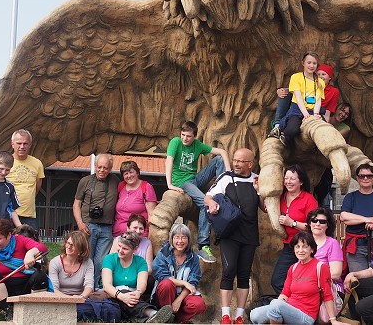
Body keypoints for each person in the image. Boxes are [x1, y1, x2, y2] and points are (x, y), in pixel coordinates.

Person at [205, 148, 265, 324]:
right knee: (229, 271)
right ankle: (225, 315)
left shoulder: (257, 179)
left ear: (250, 164)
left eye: (240, 161)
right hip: (230, 233)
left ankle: (239, 316)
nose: (236, 164)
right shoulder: (226, 178)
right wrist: (213, 204)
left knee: (244, 274)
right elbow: (208, 197)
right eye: (235, 160)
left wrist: (259, 190)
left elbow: (264, 207)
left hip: (250, 233)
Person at [165, 120, 231, 263]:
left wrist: (229, 173)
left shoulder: (197, 145)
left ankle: (223, 191)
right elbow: (169, 161)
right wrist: (169, 184)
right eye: (183, 135)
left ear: (194, 136)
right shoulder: (176, 142)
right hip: (182, 182)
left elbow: (222, 152)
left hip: (195, 179)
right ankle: (203, 245)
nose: (185, 138)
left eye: (188, 136)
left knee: (219, 159)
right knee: (205, 203)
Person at [250, 231, 346, 325]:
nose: (300, 250)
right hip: (290, 308)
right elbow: (285, 293)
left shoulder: (320, 267)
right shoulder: (293, 268)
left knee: (275, 305)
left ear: (312, 249)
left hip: (306, 315)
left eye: (305, 247)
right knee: (255, 314)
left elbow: (327, 295)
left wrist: (333, 320)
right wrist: (277, 309)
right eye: (297, 247)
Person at [102, 231, 174, 323]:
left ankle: (147, 319)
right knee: (126, 296)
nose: (120, 250)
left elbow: (142, 283)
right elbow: (107, 285)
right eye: (119, 246)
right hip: (113, 295)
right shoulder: (109, 259)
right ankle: (152, 313)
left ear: (135, 249)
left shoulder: (141, 261)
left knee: (133, 300)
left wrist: (138, 292)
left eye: (125, 248)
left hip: (134, 296)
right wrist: (122, 296)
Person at [0, 218, 49, 317]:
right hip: (6, 293)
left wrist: (30, 254)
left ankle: (35, 312)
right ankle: (10, 311)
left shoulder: (21, 240)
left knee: (40, 275)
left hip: (26, 287)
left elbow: (42, 248)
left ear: (9, 235)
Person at [73, 153, 120, 289]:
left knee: (101, 261)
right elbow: (76, 204)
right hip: (88, 226)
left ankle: (94, 288)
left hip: (107, 228)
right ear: (95, 166)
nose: (101, 170)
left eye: (105, 168)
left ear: (110, 168)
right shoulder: (85, 181)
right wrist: (80, 223)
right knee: (86, 259)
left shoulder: (115, 181)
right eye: (99, 167)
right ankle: (83, 287)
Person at [270, 164, 318, 294]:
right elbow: (266, 208)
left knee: (304, 281)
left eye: (292, 179)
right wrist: (259, 192)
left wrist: (292, 223)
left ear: (301, 181)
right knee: (277, 280)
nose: (288, 182)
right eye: (286, 178)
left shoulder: (308, 199)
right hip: (289, 246)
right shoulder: (281, 196)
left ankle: (299, 307)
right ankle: (292, 306)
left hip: (305, 246)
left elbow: (313, 226)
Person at [340, 163, 373, 273]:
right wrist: (367, 219)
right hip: (356, 248)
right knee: (359, 280)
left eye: (369, 176)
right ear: (357, 179)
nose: (365, 178)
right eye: (362, 176)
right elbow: (344, 217)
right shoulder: (351, 197)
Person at [151, 223, 207, 324]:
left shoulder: (193, 258)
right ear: (172, 239)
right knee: (167, 283)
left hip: (183, 296)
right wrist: (185, 283)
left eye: (183, 238)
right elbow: (163, 277)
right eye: (177, 237)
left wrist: (179, 299)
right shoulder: (163, 253)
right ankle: (164, 315)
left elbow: (193, 282)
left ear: (188, 240)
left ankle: (176, 319)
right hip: (163, 296)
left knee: (199, 304)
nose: (180, 241)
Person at [269, 51, 325, 146]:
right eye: (309, 62)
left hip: (313, 111)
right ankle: (285, 138)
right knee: (292, 130)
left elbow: (318, 100)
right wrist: (306, 115)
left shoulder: (320, 82)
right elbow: (298, 98)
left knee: (325, 132)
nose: (311, 65)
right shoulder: (296, 77)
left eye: (314, 63)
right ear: (303, 63)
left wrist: (315, 114)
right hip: (298, 110)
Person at [7, 129, 45, 229]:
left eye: (25, 143)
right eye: (19, 143)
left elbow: (37, 186)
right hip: (7, 214)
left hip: (29, 215)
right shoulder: (5, 162)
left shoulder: (37, 163)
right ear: (12, 144)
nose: (22, 147)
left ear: (30, 145)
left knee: (31, 244)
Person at [113, 160, 157, 238]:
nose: (129, 176)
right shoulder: (121, 186)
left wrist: (151, 235)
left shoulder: (146, 187)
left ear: (137, 173)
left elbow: (152, 214)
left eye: (131, 172)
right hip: (118, 234)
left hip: (137, 236)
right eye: (126, 174)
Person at [306, 207, 344, 296]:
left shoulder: (333, 244)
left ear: (327, 225)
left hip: (330, 287)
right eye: (314, 220)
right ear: (309, 223)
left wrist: (311, 278)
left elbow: (335, 274)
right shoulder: (304, 243)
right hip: (308, 286)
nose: (317, 224)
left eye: (322, 222)